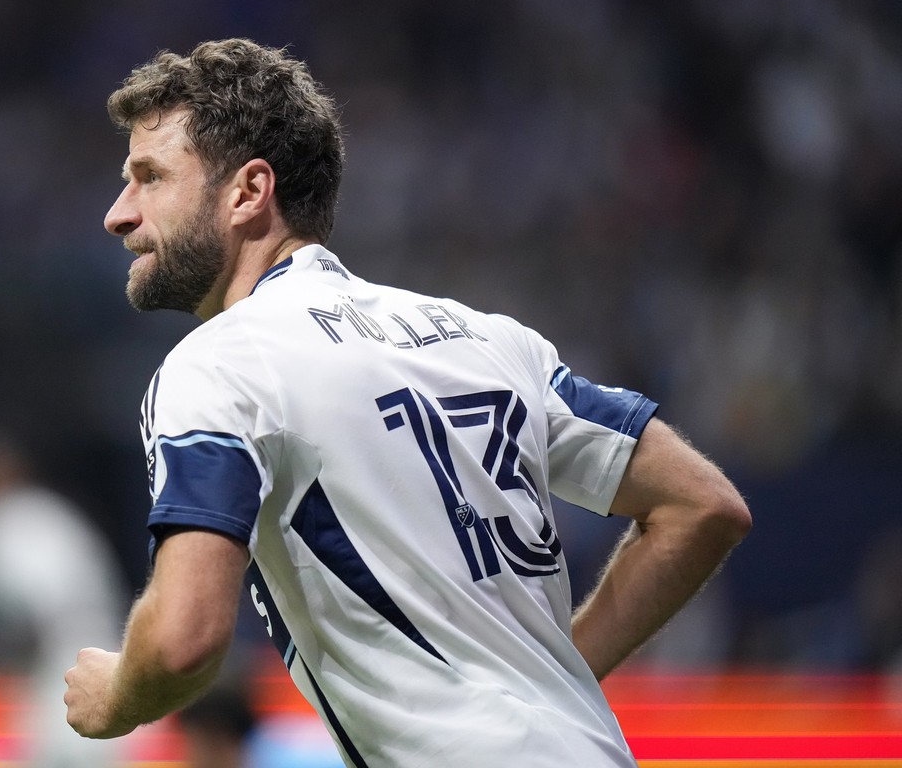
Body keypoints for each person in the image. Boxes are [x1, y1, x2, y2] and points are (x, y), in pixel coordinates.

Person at [64, 38, 752, 766]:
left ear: (247, 192)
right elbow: (703, 505)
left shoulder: (220, 365)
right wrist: (551, 685)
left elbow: (182, 642)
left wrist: (115, 696)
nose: (118, 214)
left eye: (149, 177)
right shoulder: (486, 338)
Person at [0, 422, 129, 767]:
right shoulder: (49, 510)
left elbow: (31, 615)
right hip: (103, 655)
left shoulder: (6, 518)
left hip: (65, 668)